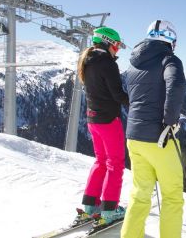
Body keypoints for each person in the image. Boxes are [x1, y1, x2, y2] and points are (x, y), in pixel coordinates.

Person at [121, 20, 186, 238]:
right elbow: (176, 84)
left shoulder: (133, 64)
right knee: (172, 197)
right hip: (159, 139)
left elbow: (132, 96)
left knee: (140, 195)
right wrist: (170, 122)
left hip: (133, 137)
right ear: (170, 40)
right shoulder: (169, 59)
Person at [76, 26, 129, 228]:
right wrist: (138, 103)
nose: (118, 50)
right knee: (115, 164)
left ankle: (90, 207)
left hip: (93, 120)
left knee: (101, 161)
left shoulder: (87, 61)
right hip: (108, 120)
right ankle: (109, 210)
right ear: (108, 42)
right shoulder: (107, 63)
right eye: (116, 45)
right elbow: (117, 94)